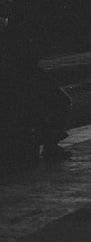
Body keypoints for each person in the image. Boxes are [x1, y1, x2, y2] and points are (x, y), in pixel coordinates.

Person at [0, 13, 74, 167]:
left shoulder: (17, 28)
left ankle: (49, 141)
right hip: (22, 74)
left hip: (24, 74)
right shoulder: (17, 30)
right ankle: (49, 143)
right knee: (45, 105)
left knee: (53, 103)